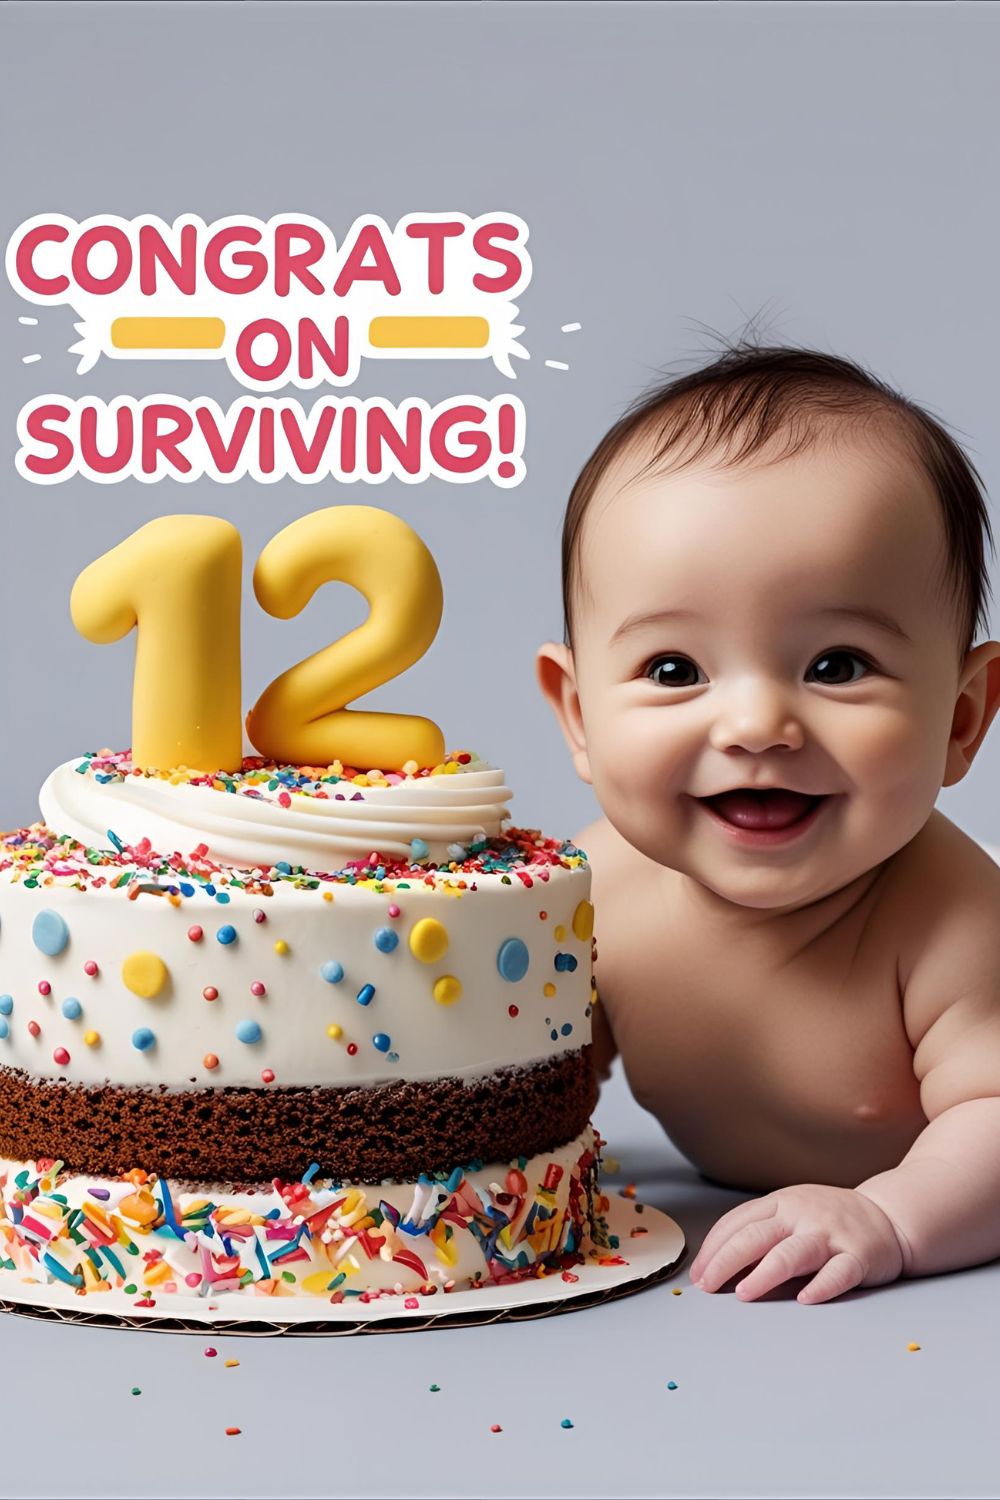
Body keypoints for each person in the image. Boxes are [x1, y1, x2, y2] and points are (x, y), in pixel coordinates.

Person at [537, 341, 1000, 1304]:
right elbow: (539, 1080)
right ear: (578, 715)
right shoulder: (586, 895)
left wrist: (892, 1216)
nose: (754, 726)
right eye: (675, 670)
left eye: (837, 664)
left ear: (961, 719)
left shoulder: (954, 922)